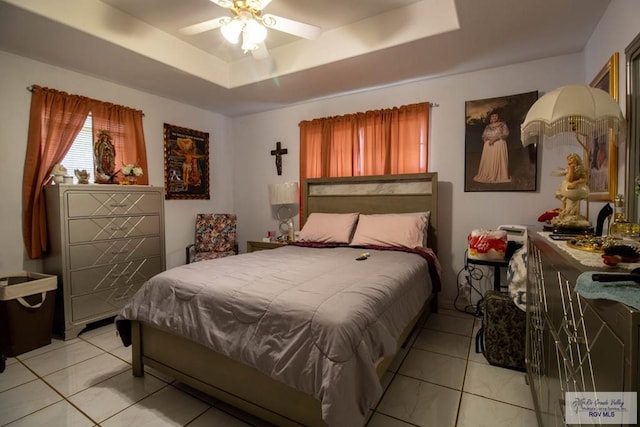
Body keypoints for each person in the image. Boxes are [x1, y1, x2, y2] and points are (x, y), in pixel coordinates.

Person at [551, 153, 590, 227]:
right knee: (565, 199)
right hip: (568, 187)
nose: (569, 160)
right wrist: (571, 169)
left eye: (571, 158)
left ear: (576, 159)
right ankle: (565, 213)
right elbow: (569, 179)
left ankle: (573, 215)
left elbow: (585, 179)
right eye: (568, 159)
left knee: (574, 201)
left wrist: (576, 182)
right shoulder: (568, 169)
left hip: (576, 189)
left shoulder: (581, 169)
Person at [473, 113, 511, 184]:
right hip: (489, 145)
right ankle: (488, 173)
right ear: (490, 118)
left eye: (496, 116)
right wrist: (489, 139)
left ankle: (499, 175)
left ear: (498, 117)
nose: (494, 117)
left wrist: (495, 139)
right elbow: (484, 135)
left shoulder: (502, 124)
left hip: (499, 143)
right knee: (489, 159)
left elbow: (505, 133)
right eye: (493, 116)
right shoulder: (488, 126)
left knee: (498, 158)